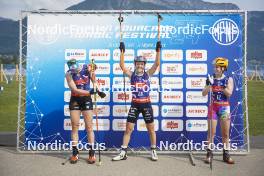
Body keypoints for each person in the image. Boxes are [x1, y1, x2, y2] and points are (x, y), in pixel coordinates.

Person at [112, 40, 161, 161]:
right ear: (135, 64)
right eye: (138, 64)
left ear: (144, 65)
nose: (140, 65)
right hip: (135, 105)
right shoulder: (131, 74)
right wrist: (122, 52)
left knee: (151, 129)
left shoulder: (148, 74)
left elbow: (156, 64)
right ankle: (123, 152)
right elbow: (122, 66)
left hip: (146, 105)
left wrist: (158, 51)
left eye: (142, 64)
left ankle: (153, 150)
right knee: (128, 128)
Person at [65, 59, 106, 164]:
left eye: (77, 69)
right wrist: (91, 92)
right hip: (75, 99)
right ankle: (75, 153)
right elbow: (75, 90)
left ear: (79, 65)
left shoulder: (85, 67)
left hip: (86, 100)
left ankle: (92, 153)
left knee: (89, 127)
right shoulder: (69, 74)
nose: (76, 72)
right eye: (73, 70)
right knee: (75, 126)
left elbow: (94, 73)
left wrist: (93, 69)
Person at [202, 57, 235, 164]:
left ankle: (226, 155)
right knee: (211, 133)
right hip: (213, 107)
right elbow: (204, 93)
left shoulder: (228, 79)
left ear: (223, 68)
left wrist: (219, 85)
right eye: (215, 67)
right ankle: (209, 154)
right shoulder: (211, 77)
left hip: (224, 107)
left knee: (225, 134)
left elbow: (229, 93)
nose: (215, 68)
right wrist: (210, 84)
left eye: (217, 67)